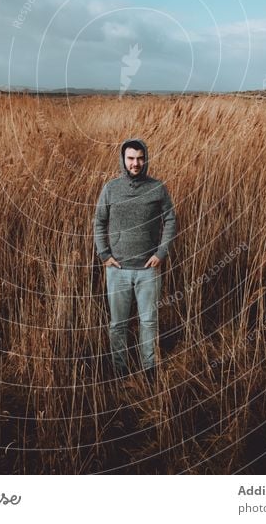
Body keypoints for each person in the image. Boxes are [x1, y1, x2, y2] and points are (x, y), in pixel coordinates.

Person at [94, 138, 176, 381]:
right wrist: (104, 254)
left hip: (147, 269)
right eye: (131, 158)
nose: (136, 163)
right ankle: (119, 371)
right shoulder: (111, 188)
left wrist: (161, 253)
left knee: (148, 322)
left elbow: (170, 219)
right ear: (123, 160)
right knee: (118, 324)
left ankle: (149, 370)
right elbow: (99, 221)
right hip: (117, 269)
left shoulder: (157, 188)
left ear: (145, 158)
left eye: (140, 158)